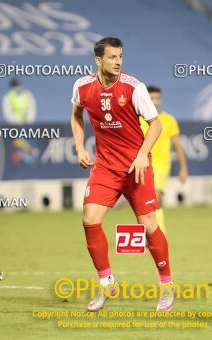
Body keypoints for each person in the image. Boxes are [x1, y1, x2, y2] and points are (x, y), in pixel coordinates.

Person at [71, 37, 174, 312]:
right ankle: (106, 282)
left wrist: (142, 155)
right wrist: (80, 146)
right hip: (105, 166)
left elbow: (156, 125)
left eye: (120, 56)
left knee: (149, 224)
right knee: (89, 220)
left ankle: (166, 285)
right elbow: (76, 115)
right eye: (113, 57)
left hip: (135, 166)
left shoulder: (133, 87)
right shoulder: (82, 86)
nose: (118, 62)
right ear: (98, 60)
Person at [139, 86, 188, 233]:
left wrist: (183, 168)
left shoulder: (168, 120)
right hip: (142, 165)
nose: (155, 101)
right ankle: (149, 236)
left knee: (155, 198)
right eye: (151, 98)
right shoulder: (139, 119)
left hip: (160, 165)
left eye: (157, 98)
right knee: (144, 204)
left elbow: (178, 146)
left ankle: (160, 236)